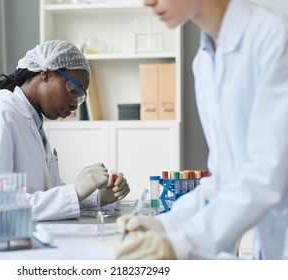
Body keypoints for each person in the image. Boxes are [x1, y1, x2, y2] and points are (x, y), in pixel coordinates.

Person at [116, 0, 288, 260]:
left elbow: (267, 174)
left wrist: (185, 242)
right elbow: (225, 179)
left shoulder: (275, 38)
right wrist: (166, 224)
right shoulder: (204, 63)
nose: (147, 2)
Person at [0, 40, 130, 221]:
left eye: (80, 97)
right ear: (46, 73)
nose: (75, 104)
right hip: (6, 244)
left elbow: (47, 192)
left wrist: (99, 196)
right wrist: (75, 191)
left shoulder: (33, 124)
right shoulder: (1, 118)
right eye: (73, 90)